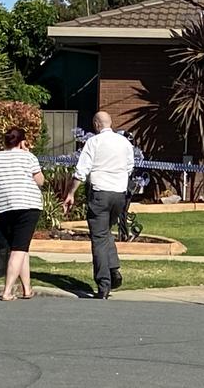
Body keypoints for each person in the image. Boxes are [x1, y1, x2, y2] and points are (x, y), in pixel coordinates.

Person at [64, 111, 134, 299]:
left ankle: (104, 283)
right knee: (105, 232)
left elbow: (81, 171)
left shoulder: (93, 142)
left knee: (98, 237)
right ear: (111, 123)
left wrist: (71, 193)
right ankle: (113, 269)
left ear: (96, 124)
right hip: (119, 194)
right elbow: (129, 167)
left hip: (100, 192)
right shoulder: (124, 143)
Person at [0, 127, 44, 301]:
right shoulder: (29, 157)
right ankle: (7, 291)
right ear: (22, 142)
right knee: (19, 249)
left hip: (1, 207)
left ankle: (27, 288)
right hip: (28, 205)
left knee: (19, 246)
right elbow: (40, 181)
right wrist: (27, 153)